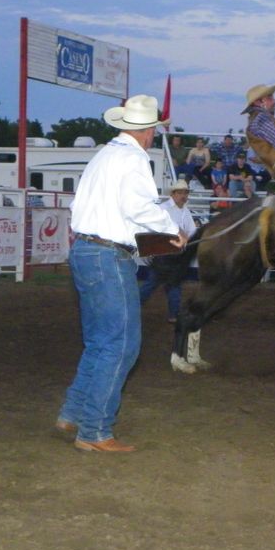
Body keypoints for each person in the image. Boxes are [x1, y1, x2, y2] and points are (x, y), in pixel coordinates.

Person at [55, 94, 187, 453]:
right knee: (121, 345)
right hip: (109, 257)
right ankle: (95, 430)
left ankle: (73, 412)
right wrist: (171, 229)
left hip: (86, 250)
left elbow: (88, 207)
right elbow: (138, 207)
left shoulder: (103, 156)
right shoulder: (133, 159)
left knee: (100, 342)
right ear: (147, 131)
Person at [139, 180, 197, 323]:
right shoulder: (164, 209)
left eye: (186, 192)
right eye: (181, 192)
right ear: (173, 194)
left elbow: (191, 231)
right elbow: (153, 229)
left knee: (157, 283)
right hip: (164, 253)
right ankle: (173, 314)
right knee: (164, 283)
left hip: (174, 254)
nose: (184, 195)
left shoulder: (184, 211)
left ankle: (172, 314)